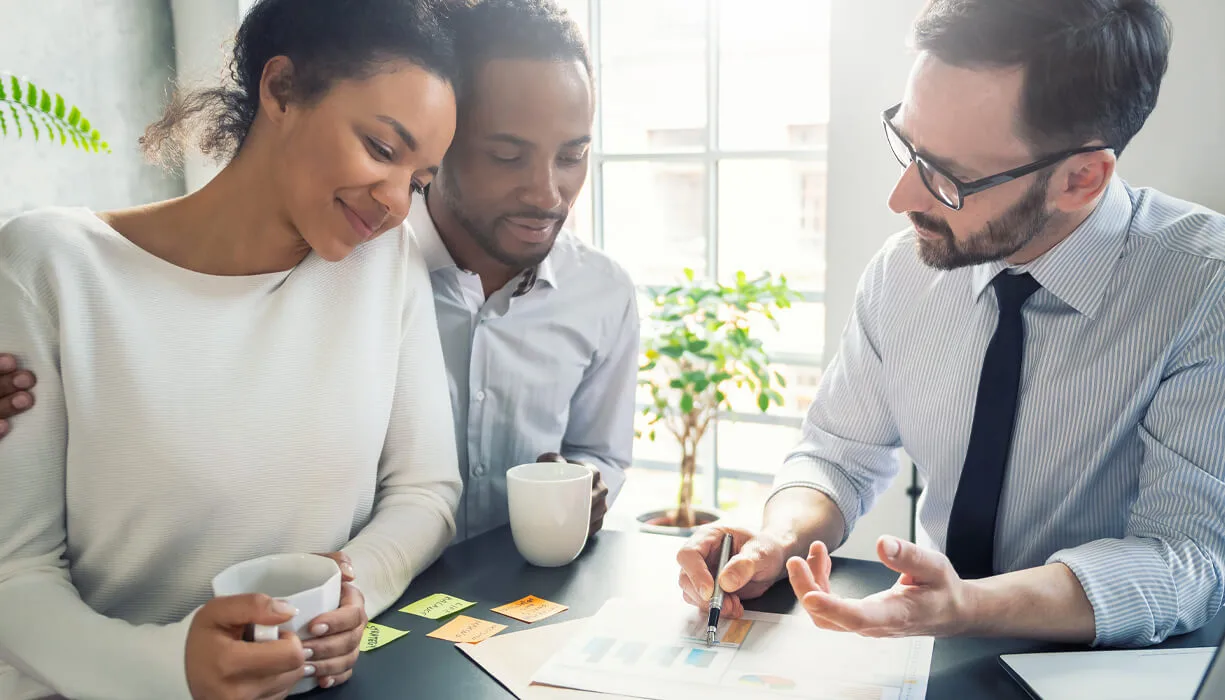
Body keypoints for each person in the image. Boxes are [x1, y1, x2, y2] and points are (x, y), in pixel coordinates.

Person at [676, 0, 1225, 649]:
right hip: (924, 645)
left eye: (950, 177)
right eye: (908, 145)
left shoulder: (1203, 287)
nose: (902, 197)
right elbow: (837, 457)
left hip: (1103, 662)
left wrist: (964, 605)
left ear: (1080, 179)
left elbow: (1185, 559)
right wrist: (778, 537)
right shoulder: (902, 271)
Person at [0, 0, 639, 544]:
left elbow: (579, 457)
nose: (547, 194)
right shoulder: (366, 253)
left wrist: (584, 487)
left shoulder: (590, 293)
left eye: (574, 156)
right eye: (505, 154)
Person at [0, 0, 462, 697]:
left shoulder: (383, 265)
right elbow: (15, 576)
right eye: (382, 149)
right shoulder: (50, 268)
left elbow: (427, 492)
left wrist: (348, 593)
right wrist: (171, 668)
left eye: (419, 180)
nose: (397, 200)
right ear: (280, 90)